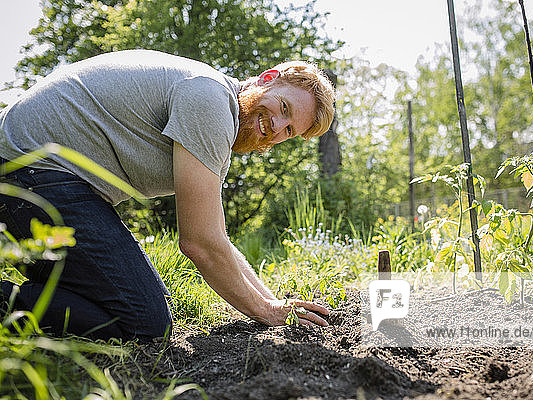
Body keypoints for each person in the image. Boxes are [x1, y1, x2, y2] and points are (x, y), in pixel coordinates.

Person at [0, 49, 335, 341]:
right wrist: (266, 312)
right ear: (268, 78)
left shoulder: (220, 122)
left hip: (43, 175)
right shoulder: (210, 99)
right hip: (28, 165)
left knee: (145, 302)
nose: (277, 126)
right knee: (143, 321)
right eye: (284, 108)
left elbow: (216, 237)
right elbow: (199, 243)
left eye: (289, 130)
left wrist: (274, 304)